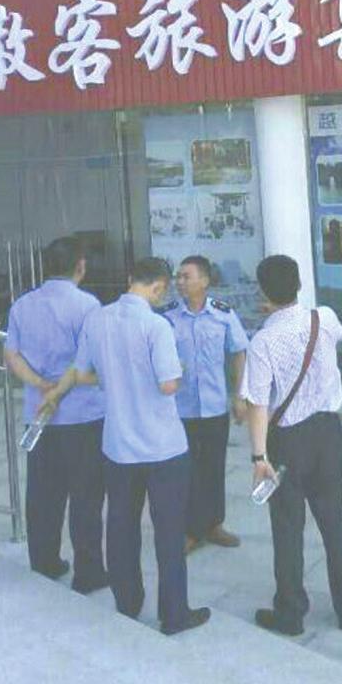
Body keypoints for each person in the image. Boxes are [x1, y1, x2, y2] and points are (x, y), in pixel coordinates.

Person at [41, 257, 210, 635]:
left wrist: (111, 379)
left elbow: (81, 373)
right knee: (168, 532)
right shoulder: (156, 325)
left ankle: (128, 603)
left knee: (121, 527)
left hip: (118, 446)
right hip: (163, 448)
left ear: (131, 278)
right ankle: (174, 614)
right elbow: (168, 384)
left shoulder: (97, 319)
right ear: (159, 287)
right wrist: (179, 371)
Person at [241, 254, 342, 636]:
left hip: (287, 440)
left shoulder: (263, 341)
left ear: (263, 292)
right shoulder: (323, 318)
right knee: (335, 519)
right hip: (328, 432)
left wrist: (259, 455)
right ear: (299, 285)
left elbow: (257, 402)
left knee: (287, 526)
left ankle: (291, 612)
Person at [4, 236, 107, 591]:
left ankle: (44, 562)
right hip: (82, 415)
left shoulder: (22, 305)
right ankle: (88, 572)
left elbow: (12, 355)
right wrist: (59, 390)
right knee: (86, 497)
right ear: (80, 266)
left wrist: (41, 386)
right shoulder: (88, 306)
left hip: (38, 414)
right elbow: (88, 362)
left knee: (43, 495)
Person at [163, 255, 249, 553]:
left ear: (204, 280)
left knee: (213, 466)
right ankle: (190, 530)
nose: (180, 282)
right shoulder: (168, 317)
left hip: (214, 406)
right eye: (178, 277)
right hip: (180, 408)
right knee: (185, 470)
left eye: (186, 276)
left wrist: (239, 396)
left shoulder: (223, 314)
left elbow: (239, 352)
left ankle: (213, 524)